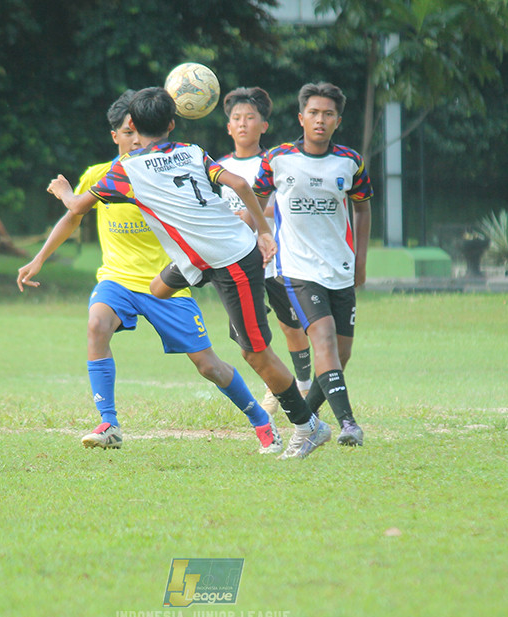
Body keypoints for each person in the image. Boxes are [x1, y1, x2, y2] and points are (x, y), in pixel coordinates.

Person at [46, 87, 331, 459]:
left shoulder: (126, 170)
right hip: (199, 257)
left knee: (255, 354)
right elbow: (242, 185)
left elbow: (76, 206)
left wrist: (64, 191)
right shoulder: (192, 151)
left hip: (230, 261)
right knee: (156, 289)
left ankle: (308, 425)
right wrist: (262, 230)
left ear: (132, 124)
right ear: (171, 123)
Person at [252, 82, 372, 447]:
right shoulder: (277, 159)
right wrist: (262, 234)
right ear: (301, 117)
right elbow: (254, 197)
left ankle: (307, 422)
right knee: (322, 341)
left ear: (338, 120)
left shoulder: (351, 162)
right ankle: (348, 423)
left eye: (328, 114)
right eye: (314, 113)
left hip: (339, 267)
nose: (320, 120)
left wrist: (361, 262)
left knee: (341, 354)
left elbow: (363, 208)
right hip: (298, 269)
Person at [218, 86, 313, 416]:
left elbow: (286, 206)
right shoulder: (218, 167)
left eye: (250, 118)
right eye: (236, 118)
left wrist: (253, 214)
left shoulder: (275, 163)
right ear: (228, 127)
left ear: (264, 126)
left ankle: (302, 386)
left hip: (275, 260)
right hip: (237, 263)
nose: (242, 124)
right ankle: (276, 384)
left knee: (291, 327)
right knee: (247, 335)